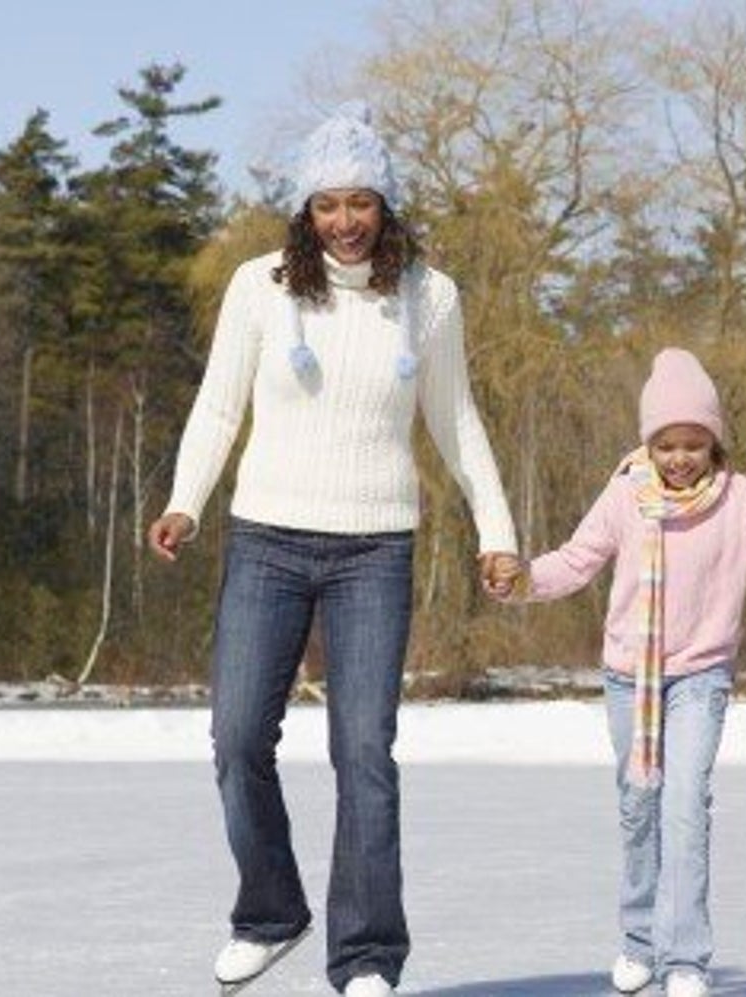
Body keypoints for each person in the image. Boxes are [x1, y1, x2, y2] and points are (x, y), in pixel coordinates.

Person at [146, 102, 518, 997]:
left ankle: (366, 954)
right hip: (268, 537)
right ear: (305, 212)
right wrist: (184, 502)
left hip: (373, 550)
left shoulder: (430, 295)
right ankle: (270, 911)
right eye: (327, 205)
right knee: (237, 737)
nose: (345, 221)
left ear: (385, 207)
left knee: (365, 753)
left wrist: (497, 532)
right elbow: (218, 406)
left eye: (361, 203)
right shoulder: (258, 286)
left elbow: (456, 421)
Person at [493, 348, 746, 997]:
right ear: (650, 443)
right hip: (628, 678)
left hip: (700, 678)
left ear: (713, 442)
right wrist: (523, 579)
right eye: (667, 444)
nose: (679, 457)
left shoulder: (743, 500)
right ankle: (638, 940)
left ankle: (686, 959)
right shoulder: (625, 493)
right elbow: (577, 560)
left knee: (684, 808)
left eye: (693, 443)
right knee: (639, 806)